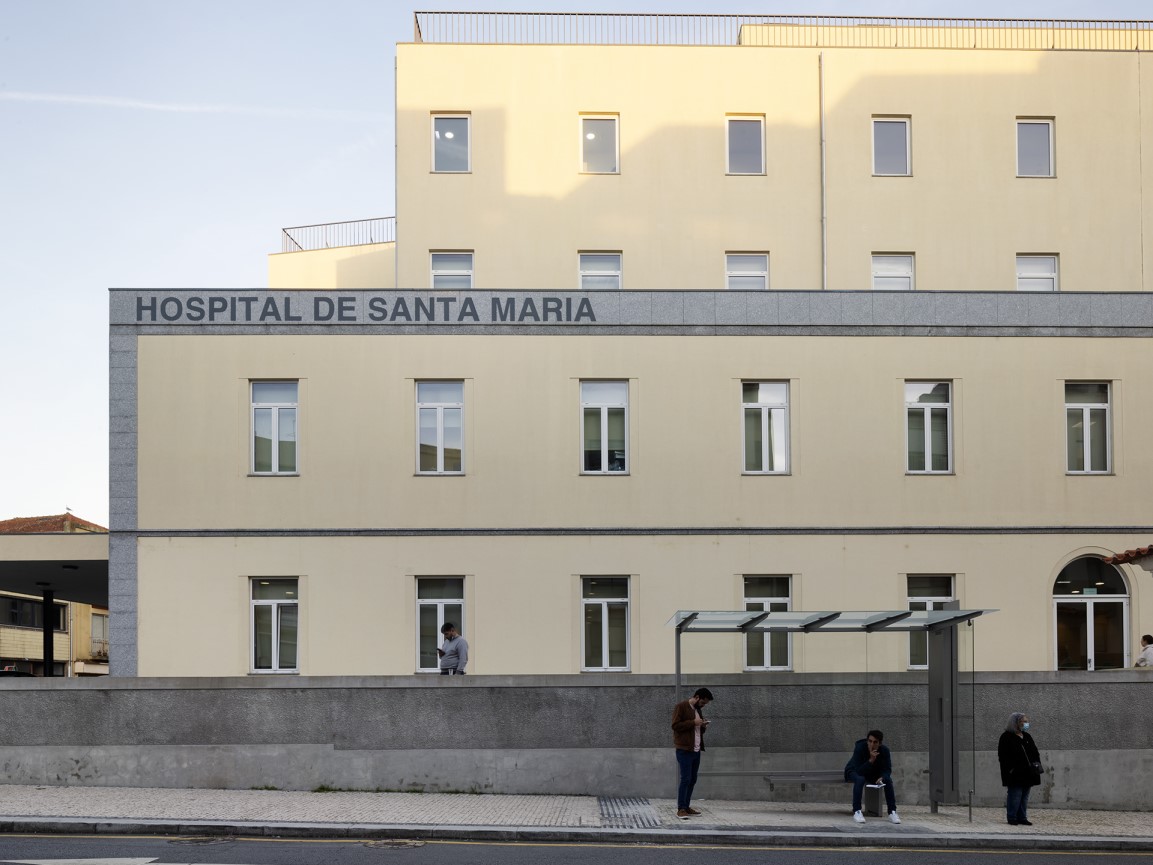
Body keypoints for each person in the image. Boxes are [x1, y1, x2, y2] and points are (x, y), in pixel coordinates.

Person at [671, 687, 713, 820]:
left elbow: (695, 730)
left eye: (705, 704)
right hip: (684, 750)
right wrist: (693, 722)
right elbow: (675, 726)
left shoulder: (697, 710)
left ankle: (686, 806)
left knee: (692, 779)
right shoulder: (681, 706)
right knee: (685, 779)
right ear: (697, 697)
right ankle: (681, 809)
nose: (703, 706)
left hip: (696, 750)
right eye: (702, 703)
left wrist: (702, 726)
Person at [844, 729, 900, 824]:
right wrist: (871, 760)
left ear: (880, 743)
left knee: (887, 780)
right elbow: (859, 771)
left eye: (875, 742)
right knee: (860, 779)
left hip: (872, 773)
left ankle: (892, 812)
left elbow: (887, 769)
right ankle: (857, 811)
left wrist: (883, 777)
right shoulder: (860, 748)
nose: (872, 744)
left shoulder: (885, 751)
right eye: (870, 741)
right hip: (854, 770)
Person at [998, 712, 1042, 826]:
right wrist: (1011, 769)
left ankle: (1022, 817)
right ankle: (1012, 817)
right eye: (1024, 721)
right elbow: (1003, 756)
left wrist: (1036, 764)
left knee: (1024, 797)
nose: (1026, 724)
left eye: (1027, 721)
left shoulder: (1027, 736)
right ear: (1016, 723)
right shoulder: (1006, 737)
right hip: (1015, 773)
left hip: (1029, 772)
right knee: (1015, 795)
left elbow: (1035, 752)